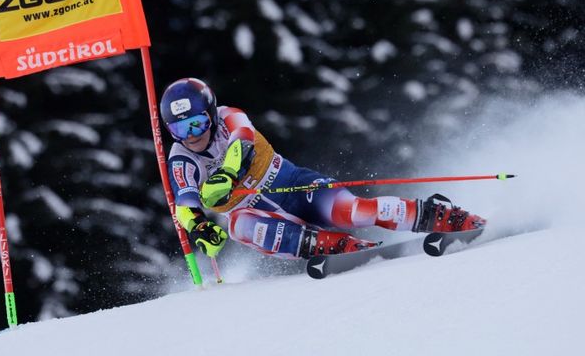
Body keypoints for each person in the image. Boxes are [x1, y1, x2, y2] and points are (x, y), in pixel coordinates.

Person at [160, 77, 485, 261]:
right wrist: (201, 229)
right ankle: (330, 246)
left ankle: (437, 215)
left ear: (211, 114)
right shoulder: (181, 160)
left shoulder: (230, 116)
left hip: (292, 185)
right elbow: (185, 206)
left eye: (198, 123)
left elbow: (242, 142)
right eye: (181, 130)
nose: (194, 135)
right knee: (239, 226)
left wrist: (226, 175)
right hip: (258, 216)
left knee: (354, 212)